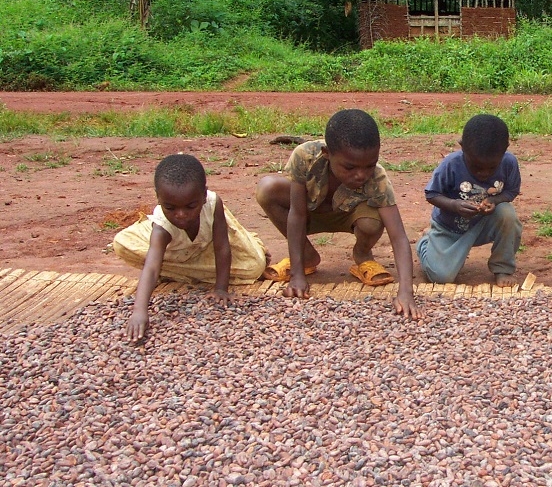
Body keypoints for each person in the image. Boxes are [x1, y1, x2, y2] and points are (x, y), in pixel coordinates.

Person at [255, 109, 421, 320]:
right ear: (327, 153)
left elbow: (398, 237)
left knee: (372, 223)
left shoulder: (377, 177)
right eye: (350, 167)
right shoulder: (304, 157)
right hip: (310, 213)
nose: (361, 174)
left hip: (350, 216)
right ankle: (306, 257)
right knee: (267, 188)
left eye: (369, 165)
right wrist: (296, 275)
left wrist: (406, 292)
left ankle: (362, 256)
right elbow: (296, 214)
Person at [112, 153, 268, 342]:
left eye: (190, 206)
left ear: (203, 196)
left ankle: (181, 267)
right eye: (170, 208)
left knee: (256, 266)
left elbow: (222, 247)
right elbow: (152, 268)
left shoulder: (213, 203)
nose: (181, 215)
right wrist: (139, 311)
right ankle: (181, 260)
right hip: (175, 248)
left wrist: (221, 288)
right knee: (121, 244)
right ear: (158, 199)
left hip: (208, 245)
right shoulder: (162, 226)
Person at [416, 114, 523, 287]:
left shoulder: (509, 162)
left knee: (507, 214)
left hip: (484, 224)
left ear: (505, 149)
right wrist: (454, 205)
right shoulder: (451, 164)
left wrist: (495, 201)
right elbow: (432, 194)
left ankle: (502, 267)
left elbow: (511, 191)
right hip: (450, 228)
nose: (484, 174)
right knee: (441, 277)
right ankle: (425, 242)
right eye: (476, 167)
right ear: (462, 147)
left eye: (491, 168)